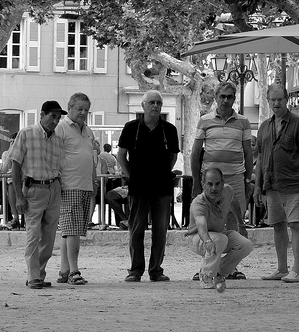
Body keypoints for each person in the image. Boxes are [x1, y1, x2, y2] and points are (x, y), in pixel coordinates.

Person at [254, 83, 299, 283]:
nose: (276, 103)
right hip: (271, 185)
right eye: (273, 99)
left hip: (294, 184)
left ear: (286, 99)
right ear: (268, 101)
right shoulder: (264, 126)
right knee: (278, 226)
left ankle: (296, 270)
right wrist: (257, 186)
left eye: (280, 99)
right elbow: (260, 157)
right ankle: (282, 268)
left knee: (296, 224)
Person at [191, 81, 253, 280]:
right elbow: (195, 153)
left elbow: (248, 152)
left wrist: (247, 179)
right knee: (209, 222)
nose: (226, 100)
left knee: (234, 220)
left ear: (234, 99)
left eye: (230, 97)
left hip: (234, 178)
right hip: (211, 181)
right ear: (216, 98)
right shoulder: (205, 120)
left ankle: (228, 268)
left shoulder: (243, 122)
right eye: (222, 96)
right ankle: (207, 265)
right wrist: (196, 181)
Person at [117, 90, 180, 282]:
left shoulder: (169, 129)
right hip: (138, 187)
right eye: (151, 102)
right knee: (136, 229)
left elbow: (174, 156)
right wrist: (131, 177)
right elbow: (121, 156)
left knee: (160, 230)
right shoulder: (131, 128)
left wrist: (163, 174)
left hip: (162, 188)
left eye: (159, 103)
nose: (155, 106)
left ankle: (156, 270)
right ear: (143, 105)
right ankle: (135, 270)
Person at [8, 100, 66, 289]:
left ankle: (38, 274)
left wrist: (60, 189)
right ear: (42, 115)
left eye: (58, 118)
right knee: (33, 234)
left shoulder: (57, 139)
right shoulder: (26, 134)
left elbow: (60, 167)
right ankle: (33, 276)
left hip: (53, 188)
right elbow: (15, 166)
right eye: (52, 116)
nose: (56, 121)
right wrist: (19, 196)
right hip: (33, 189)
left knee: (48, 238)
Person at [185, 168, 253, 289]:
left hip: (219, 234)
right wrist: (207, 240)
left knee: (246, 245)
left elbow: (234, 202)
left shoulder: (227, 191)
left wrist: (241, 224)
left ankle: (220, 273)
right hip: (198, 237)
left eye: (217, 184)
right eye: (210, 184)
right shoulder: (198, 203)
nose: (214, 188)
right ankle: (205, 275)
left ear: (223, 183)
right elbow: (201, 225)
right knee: (220, 239)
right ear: (203, 184)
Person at [55, 92, 96, 285]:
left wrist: (93, 182)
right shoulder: (61, 128)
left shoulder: (88, 130)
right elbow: (54, 155)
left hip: (85, 184)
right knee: (72, 229)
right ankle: (74, 271)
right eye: (79, 109)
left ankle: (64, 270)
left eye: (86, 110)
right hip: (69, 184)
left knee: (71, 229)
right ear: (69, 107)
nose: (83, 113)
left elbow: (91, 156)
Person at [1, 132, 20, 229]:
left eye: (14, 142)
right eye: (11, 142)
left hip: (23, 179)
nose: (12, 144)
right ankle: (15, 218)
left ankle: (16, 217)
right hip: (11, 179)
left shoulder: (23, 152)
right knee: (10, 183)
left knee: (11, 183)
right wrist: (10, 153)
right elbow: (4, 170)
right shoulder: (6, 153)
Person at [89, 140, 109, 230]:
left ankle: (88, 219)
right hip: (87, 183)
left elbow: (105, 177)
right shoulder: (85, 160)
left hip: (97, 184)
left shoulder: (102, 161)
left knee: (92, 191)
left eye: (96, 150)